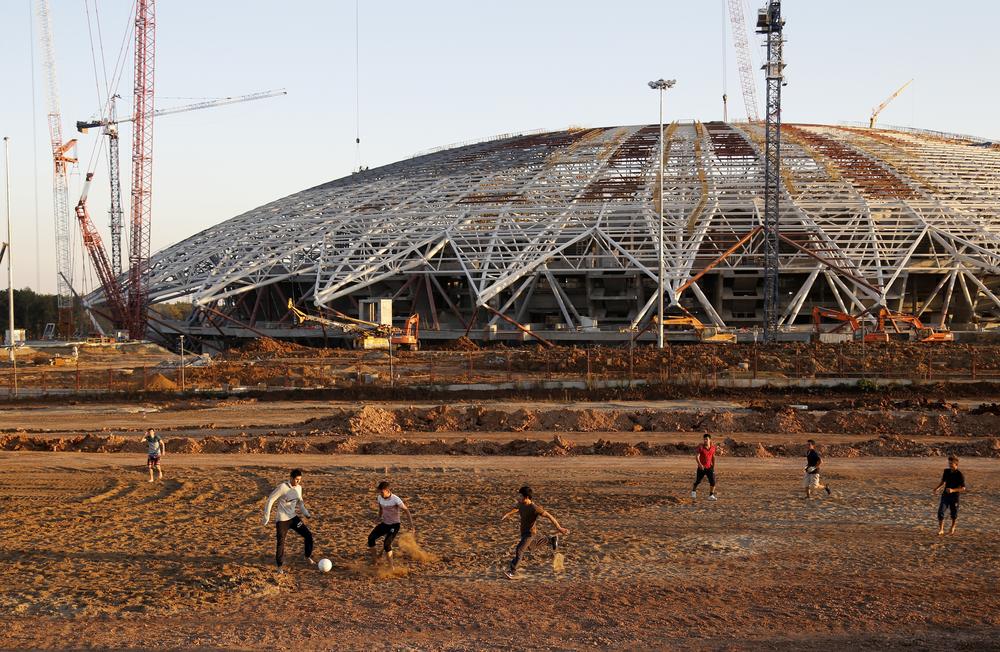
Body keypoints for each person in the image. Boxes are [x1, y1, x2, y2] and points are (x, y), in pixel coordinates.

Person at [501, 485, 569, 579]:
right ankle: (551, 540)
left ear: (526, 497)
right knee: (531, 546)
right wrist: (507, 514)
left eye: (520, 496)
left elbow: (549, 516)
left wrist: (559, 528)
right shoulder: (521, 503)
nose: (518, 497)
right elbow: (517, 508)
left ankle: (512, 572)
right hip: (524, 533)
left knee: (520, 550)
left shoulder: (534, 508)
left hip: (530, 534)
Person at [262, 468, 315, 573]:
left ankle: (307, 556)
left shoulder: (299, 488)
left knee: (308, 535)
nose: (298, 482)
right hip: (282, 520)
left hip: (293, 518)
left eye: (300, 480)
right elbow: (270, 499)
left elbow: (300, 503)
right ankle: (279, 567)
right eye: (296, 479)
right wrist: (266, 516)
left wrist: (306, 513)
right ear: (291, 478)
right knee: (281, 543)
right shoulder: (283, 487)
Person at [367, 480, 414, 568]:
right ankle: (375, 560)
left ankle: (391, 567)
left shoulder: (396, 499)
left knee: (386, 544)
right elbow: (381, 509)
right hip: (385, 523)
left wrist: (411, 525)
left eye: (382, 492)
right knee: (371, 538)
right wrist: (378, 518)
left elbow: (406, 511)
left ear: (387, 490)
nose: (380, 494)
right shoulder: (380, 497)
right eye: (379, 492)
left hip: (394, 525)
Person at [933, 455, 966, 535]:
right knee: (940, 512)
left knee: (954, 514)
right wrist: (937, 488)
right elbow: (943, 482)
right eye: (949, 463)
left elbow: (963, 488)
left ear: (956, 464)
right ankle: (941, 529)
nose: (949, 465)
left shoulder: (960, 475)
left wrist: (952, 490)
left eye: (951, 464)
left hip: (954, 497)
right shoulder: (946, 471)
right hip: (945, 495)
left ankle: (953, 526)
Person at [691, 433, 718, 500]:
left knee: (713, 481)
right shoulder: (701, 447)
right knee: (698, 481)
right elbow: (697, 457)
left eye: (707, 439)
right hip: (701, 468)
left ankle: (711, 495)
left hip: (709, 467)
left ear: (710, 440)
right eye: (704, 439)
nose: (705, 440)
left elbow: (713, 457)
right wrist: (700, 464)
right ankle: (693, 490)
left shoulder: (713, 448)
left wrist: (713, 466)